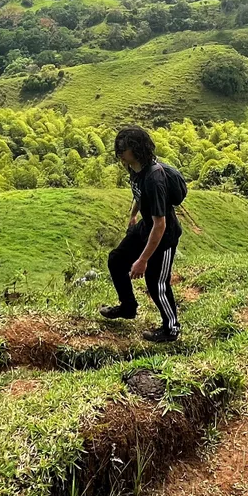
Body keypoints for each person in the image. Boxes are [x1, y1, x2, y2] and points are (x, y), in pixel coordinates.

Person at [99, 125, 184, 343]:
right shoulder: (135, 169)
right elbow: (139, 195)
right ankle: (128, 307)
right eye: (118, 147)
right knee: (116, 260)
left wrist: (142, 260)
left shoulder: (154, 179)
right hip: (145, 226)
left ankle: (171, 329)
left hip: (163, 237)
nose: (119, 152)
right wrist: (133, 215)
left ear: (136, 149)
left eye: (123, 148)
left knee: (157, 284)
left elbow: (161, 224)